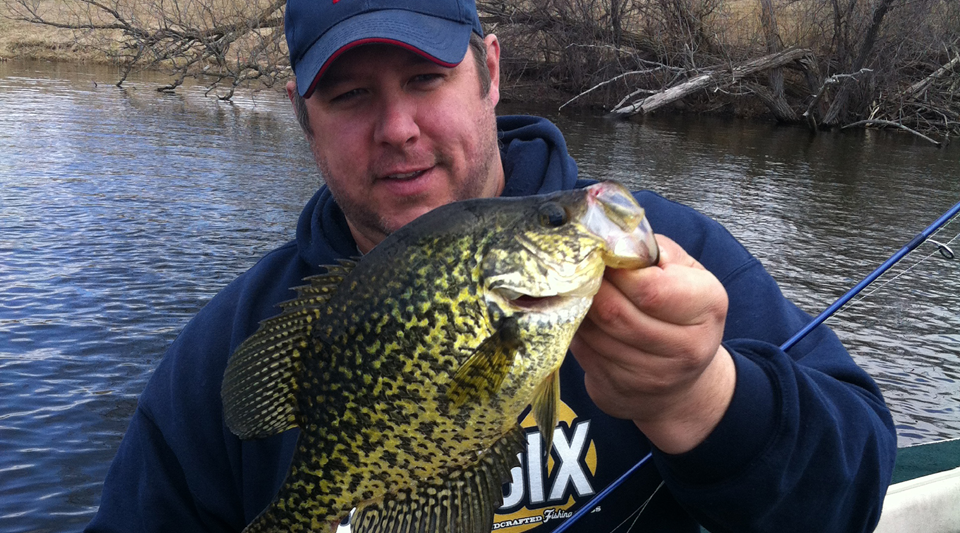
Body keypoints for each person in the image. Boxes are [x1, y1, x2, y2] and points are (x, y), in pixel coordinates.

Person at [85, 0, 897, 531]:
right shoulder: (230, 340)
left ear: (491, 72)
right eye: (350, 96)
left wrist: (709, 395)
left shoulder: (674, 265)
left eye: (425, 77)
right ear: (305, 119)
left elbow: (853, 490)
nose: (397, 127)